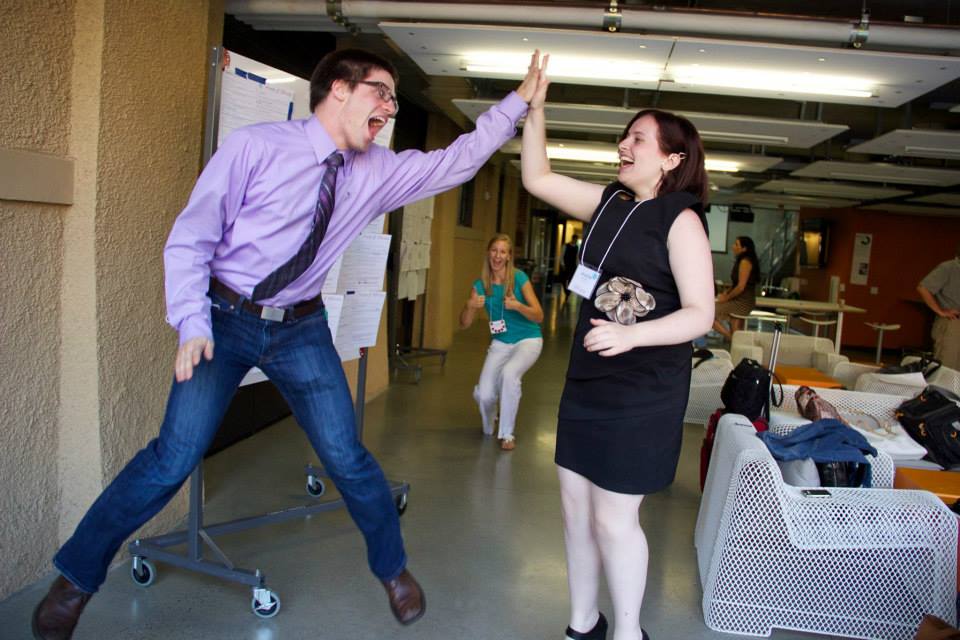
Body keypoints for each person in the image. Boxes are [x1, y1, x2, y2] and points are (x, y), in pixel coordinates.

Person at [31, 48, 543, 639]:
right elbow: (191, 237)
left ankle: (393, 569)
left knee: (346, 455)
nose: (389, 107)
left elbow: (458, 161)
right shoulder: (256, 148)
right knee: (172, 457)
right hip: (224, 317)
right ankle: (74, 579)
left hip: (300, 327)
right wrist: (191, 322)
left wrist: (518, 102)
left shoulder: (376, 171)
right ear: (339, 90)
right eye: (381, 92)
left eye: (394, 99)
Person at [521, 54, 714, 640]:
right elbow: (538, 178)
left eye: (639, 139)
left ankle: (629, 633)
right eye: (625, 136)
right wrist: (535, 110)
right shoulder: (609, 205)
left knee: (613, 518)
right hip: (588, 382)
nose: (624, 145)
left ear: (672, 158)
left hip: (644, 391)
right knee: (575, 511)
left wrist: (632, 334)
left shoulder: (681, 221)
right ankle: (584, 624)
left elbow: (700, 313)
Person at [459, 234, 544, 451]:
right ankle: (490, 421)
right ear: (488, 253)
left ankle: (507, 434)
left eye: (503, 251)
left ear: (508, 257)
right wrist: (470, 305)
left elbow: (539, 316)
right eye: (494, 250)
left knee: (509, 374)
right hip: (500, 342)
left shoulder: (519, 278)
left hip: (528, 339)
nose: (498, 255)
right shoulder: (480, 285)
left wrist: (519, 307)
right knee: (485, 394)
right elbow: (464, 324)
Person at [918, 243, 960, 369]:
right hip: (952, 324)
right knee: (946, 367)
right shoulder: (949, 267)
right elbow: (923, 288)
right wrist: (940, 311)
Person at [712, 236, 760, 341]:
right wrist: (726, 293)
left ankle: (731, 339)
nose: (733, 246)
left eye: (736, 244)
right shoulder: (741, 260)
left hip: (743, 301)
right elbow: (736, 284)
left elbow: (741, 287)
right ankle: (734, 341)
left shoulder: (745, 262)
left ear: (744, 249)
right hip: (738, 299)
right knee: (736, 331)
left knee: (709, 313)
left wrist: (726, 298)